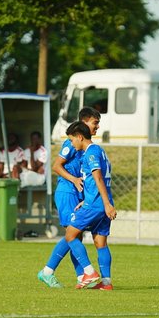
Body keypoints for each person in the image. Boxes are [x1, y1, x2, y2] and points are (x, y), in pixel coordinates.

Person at [38, 121, 115, 290]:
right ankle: (106, 283)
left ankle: (88, 273)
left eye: (72, 140)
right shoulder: (100, 151)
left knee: (71, 235)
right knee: (100, 242)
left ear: (79, 137)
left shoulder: (90, 154)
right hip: (97, 201)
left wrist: (103, 203)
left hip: (96, 204)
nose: (71, 144)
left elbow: (98, 178)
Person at [47, 107, 102, 281]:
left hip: (77, 194)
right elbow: (56, 166)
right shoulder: (71, 144)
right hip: (67, 192)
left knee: (75, 235)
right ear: (83, 123)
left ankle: (80, 277)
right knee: (73, 234)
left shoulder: (88, 148)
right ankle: (55, 272)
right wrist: (74, 179)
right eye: (95, 123)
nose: (98, 127)